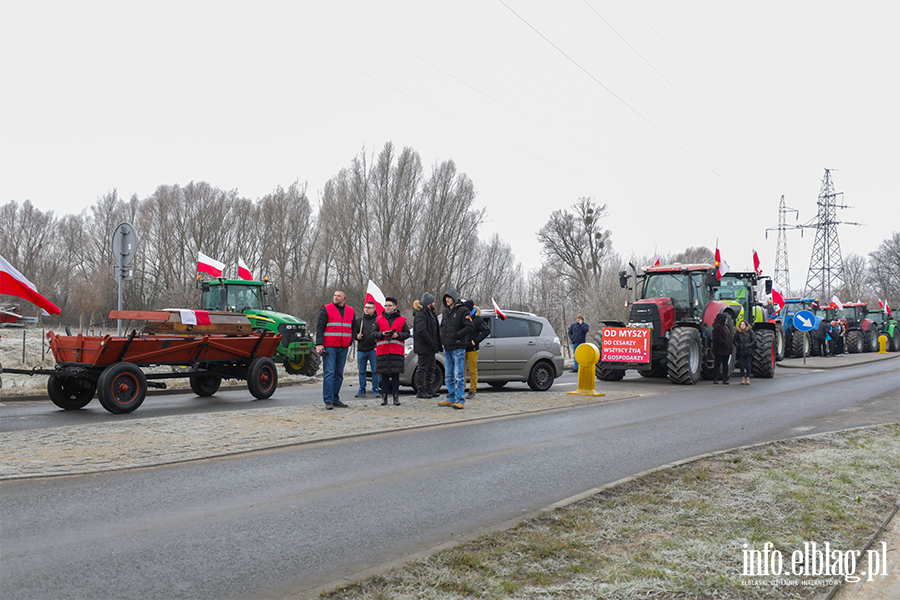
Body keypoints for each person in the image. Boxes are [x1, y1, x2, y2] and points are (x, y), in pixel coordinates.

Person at [315, 290, 355, 409]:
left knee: (339, 374)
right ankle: (328, 400)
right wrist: (319, 344)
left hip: (343, 347)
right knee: (329, 373)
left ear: (344, 298)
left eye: (339, 296)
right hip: (329, 346)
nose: (336, 297)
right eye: (335, 295)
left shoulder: (351, 311)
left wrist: (350, 340)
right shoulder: (326, 309)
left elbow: (354, 327)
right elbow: (320, 327)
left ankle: (335, 398)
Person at [439, 288, 474, 409]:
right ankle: (450, 397)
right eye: (445, 298)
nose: (447, 300)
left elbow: (469, 326)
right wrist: (442, 340)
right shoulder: (445, 312)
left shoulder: (463, 310)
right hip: (447, 347)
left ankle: (460, 400)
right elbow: (442, 327)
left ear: (453, 298)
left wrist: (457, 335)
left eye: (448, 297)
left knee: (459, 375)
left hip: (458, 348)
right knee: (449, 375)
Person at [374, 297, 410, 406]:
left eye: (389, 305)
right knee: (384, 375)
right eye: (386, 305)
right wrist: (382, 334)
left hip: (396, 351)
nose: (387, 307)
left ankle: (396, 397)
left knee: (395, 375)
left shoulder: (402, 319)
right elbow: (373, 334)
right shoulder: (378, 319)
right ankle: (384, 397)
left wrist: (398, 335)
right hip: (383, 351)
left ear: (395, 306)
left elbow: (407, 334)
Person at [412, 292, 441, 399]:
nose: (434, 303)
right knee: (422, 368)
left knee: (431, 368)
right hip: (424, 347)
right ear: (429, 303)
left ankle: (429, 389)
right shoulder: (421, 314)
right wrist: (431, 342)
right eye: (433, 301)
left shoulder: (430, 313)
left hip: (431, 347)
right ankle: (421, 390)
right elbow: (421, 330)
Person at [463, 300, 490, 400]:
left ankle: (472, 390)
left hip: (473, 348)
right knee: (462, 370)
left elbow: (486, 330)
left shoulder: (477, 319)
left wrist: (476, 341)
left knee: (472, 370)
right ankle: (461, 389)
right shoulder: (465, 318)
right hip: (463, 347)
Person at [353, 300, 380, 398]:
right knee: (361, 371)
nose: (367, 309)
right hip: (361, 349)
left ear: (374, 309)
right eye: (366, 307)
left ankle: (375, 390)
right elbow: (353, 333)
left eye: (369, 308)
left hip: (373, 349)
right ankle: (362, 390)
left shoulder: (378, 320)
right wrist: (357, 336)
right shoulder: (359, 321)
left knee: (375, 371)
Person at [733, 319, 757, 385]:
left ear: (746, 325)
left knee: (748, 365)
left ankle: (748, 378)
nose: (742, 326)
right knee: (742, 365)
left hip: (748, 351)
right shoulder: (738, 332)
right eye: (741, 324)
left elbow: (754, 340)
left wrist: (748, 345)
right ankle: (743, 378)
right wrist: (738, 345)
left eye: (743, 324)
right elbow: (734, 340)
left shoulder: (750, 332)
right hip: (741, 351)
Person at [711, 313, 733, 384]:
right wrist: (725, 344)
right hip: (720, 350)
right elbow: (717, 338)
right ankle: (716, 378)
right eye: (726, 319)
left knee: (725, 364)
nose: (726, 320)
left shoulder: (724, 327)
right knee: (718, 364)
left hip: (725, 350)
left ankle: (725, 378)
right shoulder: (718, 327)